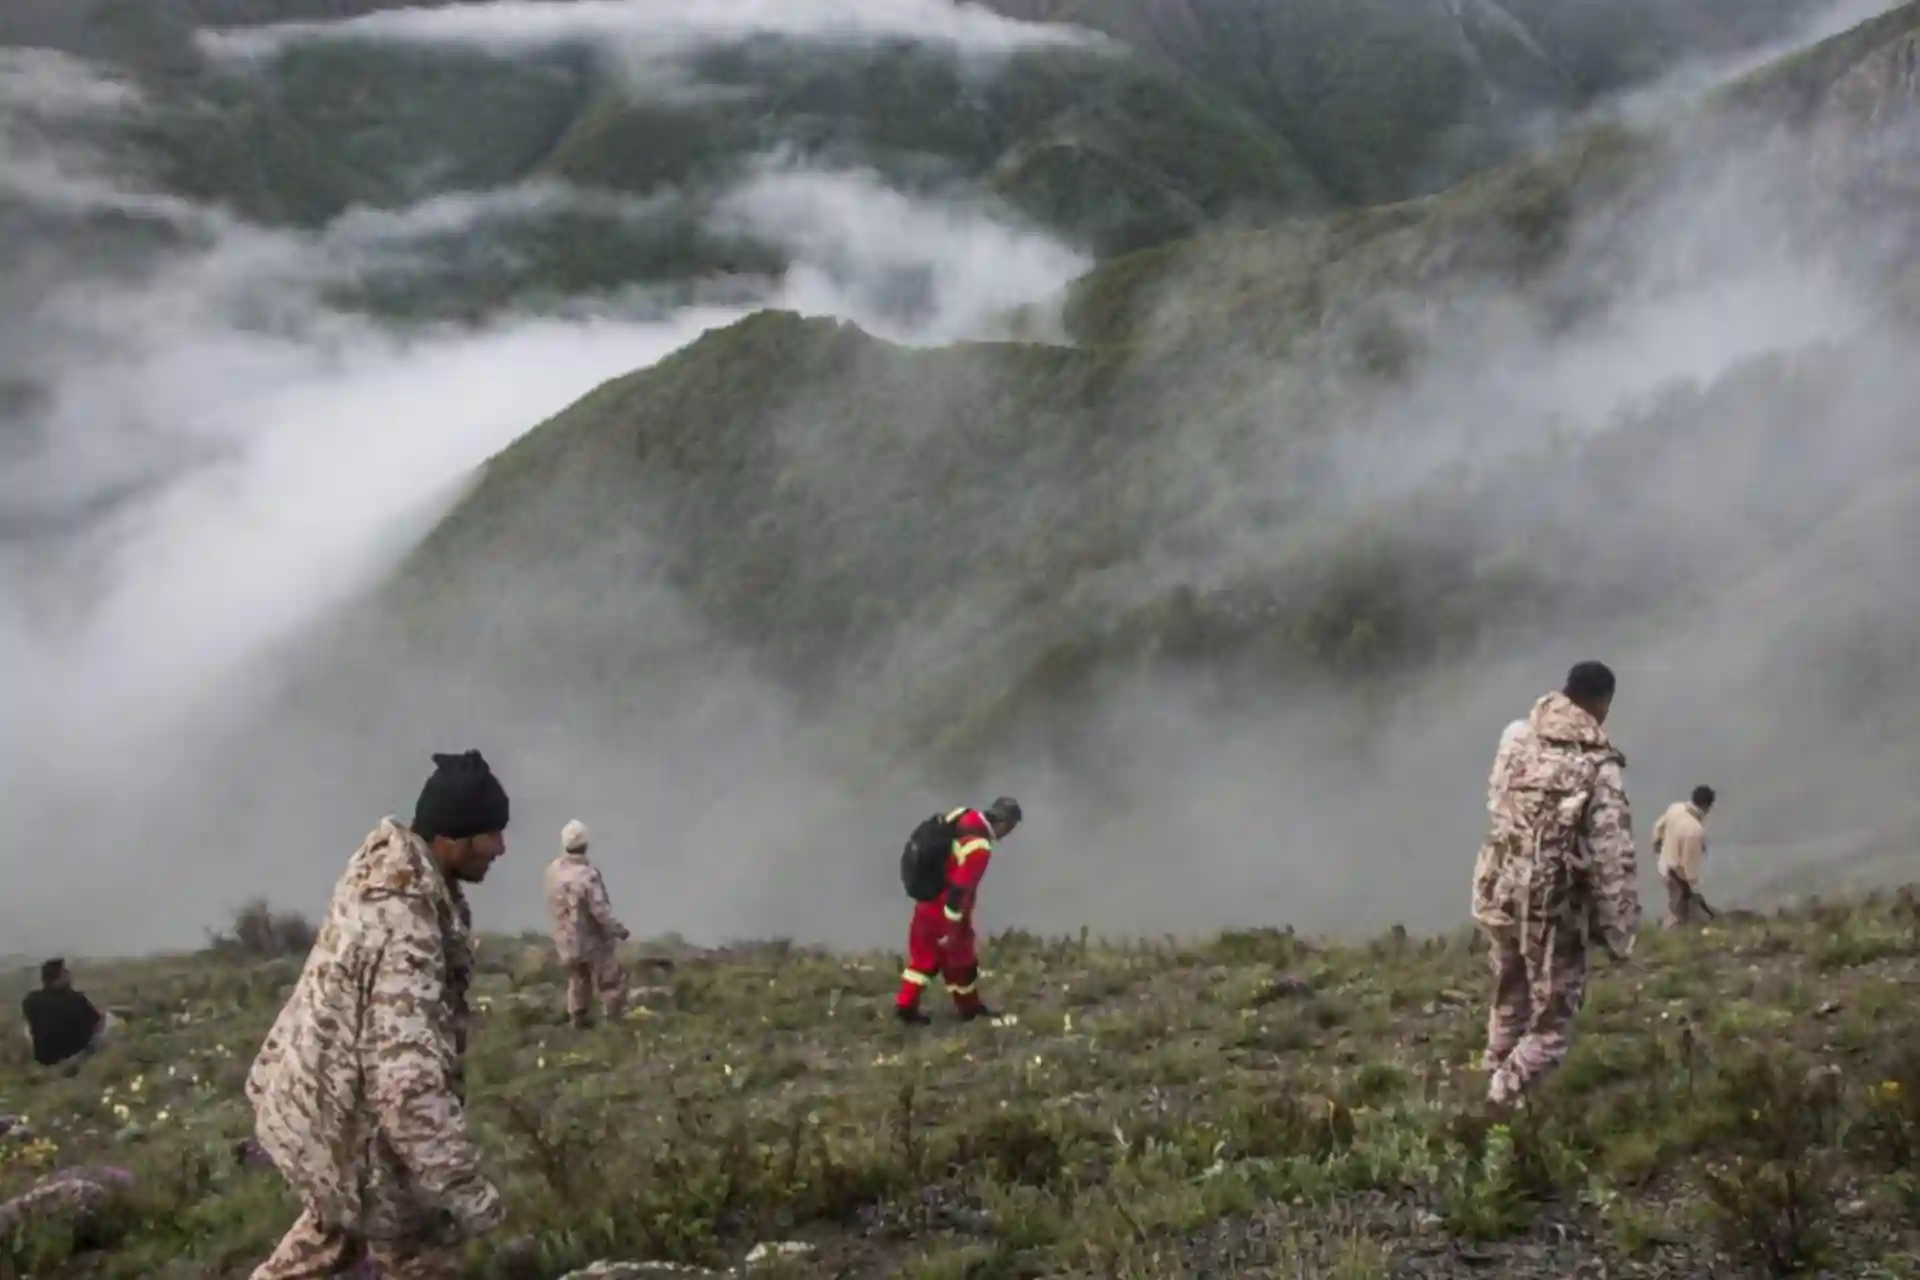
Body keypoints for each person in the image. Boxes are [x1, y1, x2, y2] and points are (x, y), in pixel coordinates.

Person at [246, 750, 511, 1280]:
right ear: (453, 838)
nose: (501, 848)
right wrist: (469, 1193)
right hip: (353, 1131)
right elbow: (405, 1086)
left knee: (330, 1236)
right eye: (491, 834)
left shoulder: (386, 870)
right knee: (421, 1255)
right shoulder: (406, 925)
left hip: (317, 1108)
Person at [1472, 662, 1639, 1107]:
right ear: (1602, 703)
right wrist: (1619, 929)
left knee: (1511, 989)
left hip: (1501, 888)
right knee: (1553, 1019)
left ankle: (1496, 1065)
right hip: (1553, 907)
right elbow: (1611, 856)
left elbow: (1496, 799)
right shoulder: (1598, 766)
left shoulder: (1516, 736)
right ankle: (1501, 1100)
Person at [895, 797, 1022, 1026]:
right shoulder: (979, 848)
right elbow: (960, 889)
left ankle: (905, 1007)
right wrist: (952, 928)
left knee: (923, 958)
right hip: (945, 909)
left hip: (926, 900)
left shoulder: (963, 814)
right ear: (1004, 823)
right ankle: (969, 1009)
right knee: (960, 961)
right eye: (1010, 828)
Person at [543, 819, 631, 1028]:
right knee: (611, 980)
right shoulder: (587, 875)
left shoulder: (553, 871)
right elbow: (599, 910)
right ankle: (613, 1023)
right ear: (585, 844)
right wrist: (618, 930)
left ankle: (577, 1020)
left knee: (577, 978)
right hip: (590, 938)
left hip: (565, 938)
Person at [21, 959, 113, 1068]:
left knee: (28, 1028)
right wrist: (101, 1016)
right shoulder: (76, 1000)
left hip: (43, 1058)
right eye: (65, 972)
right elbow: (97, 1025)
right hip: (75, 1055)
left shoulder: (30, 1000)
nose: (69, 974)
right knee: (107, 1021)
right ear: (59, 979)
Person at [1654, 785, 1716, 928]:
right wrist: (1693, 890)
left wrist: (1661, 845)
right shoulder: (1695, 831)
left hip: (1664, 864)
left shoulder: (1675, 808)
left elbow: (1658, 828)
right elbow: (1689, 869)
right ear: (1706, 806)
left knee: (1673, 903)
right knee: (1679, 911)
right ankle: (1671, 936)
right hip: (1677, 874)